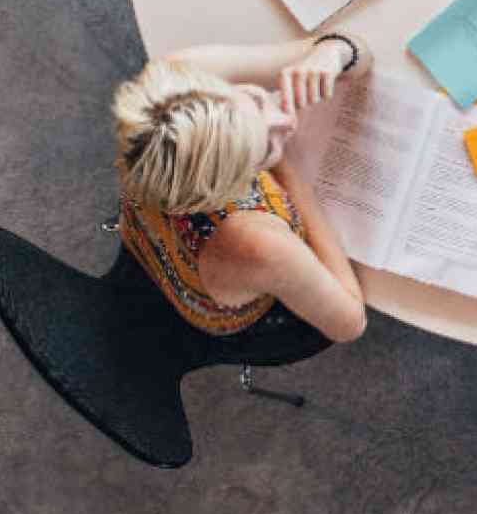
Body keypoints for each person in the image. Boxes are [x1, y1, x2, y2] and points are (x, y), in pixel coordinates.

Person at [111, 35, 370, 345]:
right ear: (233, 187)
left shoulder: (178, 79)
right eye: (264, 150)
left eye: (256, 100)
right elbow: (350, 324)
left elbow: (356, 50)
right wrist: (289, 171)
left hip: (145, 232)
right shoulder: (260, 243)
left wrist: (332, 53)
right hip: (221, 310)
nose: (286, 120)